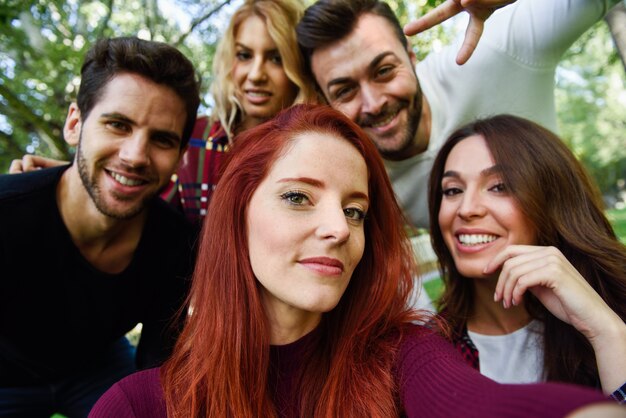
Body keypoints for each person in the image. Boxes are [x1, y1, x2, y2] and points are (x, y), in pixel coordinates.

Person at [89, 104, 622, 418]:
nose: (339, 228)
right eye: (298, 197)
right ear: (236, 216)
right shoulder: (138, 405)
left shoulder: (405, 353)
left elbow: (474, 404)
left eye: (355, 210)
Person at [0, 37, 200, 417]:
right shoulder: (8, 214)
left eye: (161, 139)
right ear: (75, 124)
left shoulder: (176, 245)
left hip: (97, 368)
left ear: (179, 157)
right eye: (118, 124)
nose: (135, 156)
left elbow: (157, 371)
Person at [296, 0, 621, 230]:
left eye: (383, 70)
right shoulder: (359, 182)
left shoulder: (496, 49)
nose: (373, 103)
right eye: (345, 91)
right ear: (325, 101)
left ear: (411, 57)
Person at [10, 0, 315, 226]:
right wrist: (72, 177)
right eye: (244, 55)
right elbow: (144, 204)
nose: (256, 74)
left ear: (296, 65)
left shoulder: (316, 148)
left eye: (276, 58)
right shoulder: (196, 136)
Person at [427, 114, 626, 403]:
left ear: (551, 201)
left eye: (499, 186)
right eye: (453, 190)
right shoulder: (426, 352)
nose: (466, 209)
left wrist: (607, 332)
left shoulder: (616, 311)